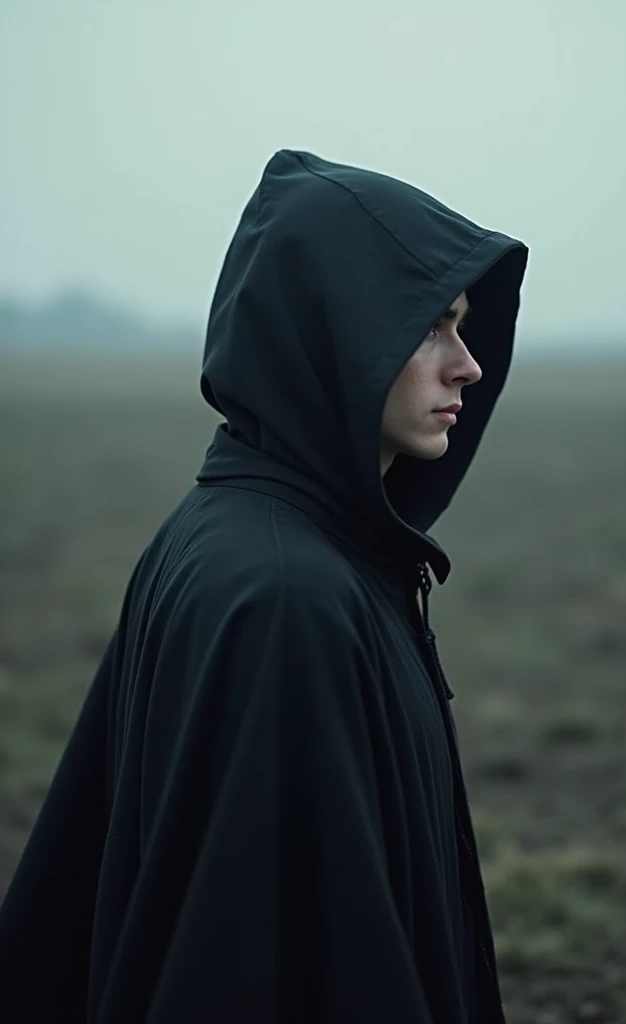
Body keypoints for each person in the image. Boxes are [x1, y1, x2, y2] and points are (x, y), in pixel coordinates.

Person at [0, 149, 528, 1023]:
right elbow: (262, 960)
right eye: (429, 326)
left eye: (464, 326)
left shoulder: (247, 536)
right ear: (333, 333)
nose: (467, 364)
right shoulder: (285, 593)